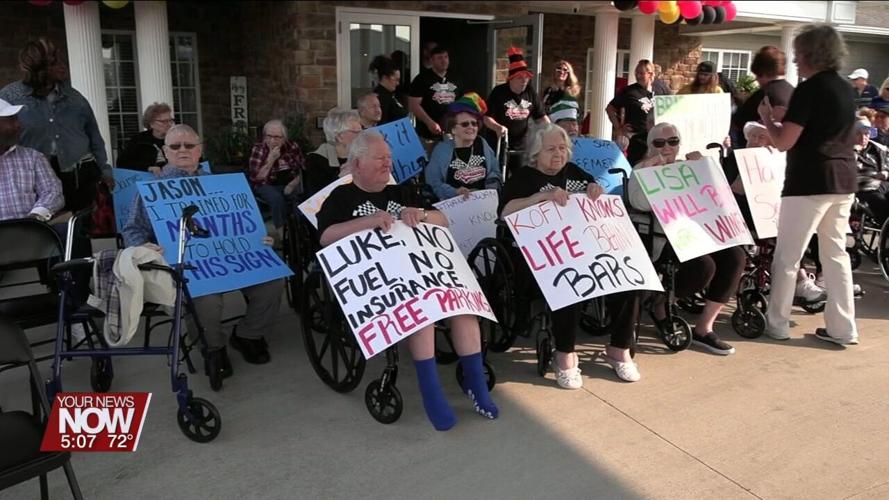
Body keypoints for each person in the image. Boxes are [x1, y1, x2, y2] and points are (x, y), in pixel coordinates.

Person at [317, 129, 498, 430]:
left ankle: (477, 386)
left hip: (422, 271)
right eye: (380, 158)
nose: (387, 163)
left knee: (464, 310)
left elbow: (443, 220)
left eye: (389, 157)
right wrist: (367, 222)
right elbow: (325, 236)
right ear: (358, 163)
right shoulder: (341, 197)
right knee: (421, 313)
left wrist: (421, 214)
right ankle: (432, 394)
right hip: (382, 283)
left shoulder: (401, 192)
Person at [122, 124, 283, 390]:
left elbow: (247, 220)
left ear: (199, 150)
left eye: (189, 145)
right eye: (175, 146)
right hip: (188, 263)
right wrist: (143, 246)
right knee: (205, 297)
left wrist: (261, 236)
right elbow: (132, 229)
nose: (182, 150)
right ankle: (213, 348)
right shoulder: (152, 188)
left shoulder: (220, 184)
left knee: (272, 282)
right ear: (165, 152)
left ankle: (248, 335)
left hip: (233, 256)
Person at [499, 123, 641, 386]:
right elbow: (505, 212)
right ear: (536, 153)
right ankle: (564, 354)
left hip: (586, 248)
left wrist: (595, 189)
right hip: (544, 257)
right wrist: (540, 197)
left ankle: (619, 349)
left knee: (629, 281)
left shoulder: (573, 171)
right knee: (569, 281)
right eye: (551, 149)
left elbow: (593, 193)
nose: (558, 154)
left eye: (562, 148)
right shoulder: (523, 178)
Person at [758, 23, 859, 346]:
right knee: (836, 255)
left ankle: (777, 325)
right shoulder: (846, 88)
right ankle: (843, 328)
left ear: (812, 54)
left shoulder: (809, 89)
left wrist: (767, 119)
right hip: (844, 179)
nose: (795, 60)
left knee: (788, 258)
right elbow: (825, 126)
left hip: (809, 182)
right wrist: (788, 116)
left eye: (799, 54)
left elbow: (784, 142)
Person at [628, 122, 746, 356]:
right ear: (650, 145)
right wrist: (652, 170)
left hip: (701, 231)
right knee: (704, 265)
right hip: (666, 237)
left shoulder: (687, 167)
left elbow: (718, 195)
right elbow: (638, 203)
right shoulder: (642, 168)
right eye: (659, 143)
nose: (666, 147)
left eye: (672, 141)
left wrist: (703, 167)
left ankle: (704, 327)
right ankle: (661, 303)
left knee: (736, 257)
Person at [0, 38, 111, 213]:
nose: (63, 66)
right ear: (39, 68)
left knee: (82, 226)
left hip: (79, 175)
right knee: (43, 224)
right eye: (55, 63)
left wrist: (105, 170)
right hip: (34, 178)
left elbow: (94, 135)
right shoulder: (10, 97)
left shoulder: (75, 98)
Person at [722, 121, 826, 304]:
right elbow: (724, 189)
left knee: (804, 229)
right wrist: (738, 184)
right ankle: (801, 280)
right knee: (784, 231)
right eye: (752, 136)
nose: (755, 140)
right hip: (741, 214)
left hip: (774, 212)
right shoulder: (735, 158)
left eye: (761, 137)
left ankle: (815, 278)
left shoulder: (779, 161)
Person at [426, 93, 502, 201]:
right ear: (453, 129)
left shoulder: (482, 143)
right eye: (465, 124)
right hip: (453, 204)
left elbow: (495, 171)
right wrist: (455, 192)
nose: (471, 127)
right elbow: (433, 182)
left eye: (474, 123)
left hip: (483, 202)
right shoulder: (441, 150)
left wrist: (489, 189)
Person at [0, 98, 64, 222]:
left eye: (17, 119)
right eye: (11, 120)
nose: (18, 125)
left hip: (30, 230)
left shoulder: (32, 157)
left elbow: (52, 191)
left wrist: (36, 217)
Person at [485, 47, 548, 155]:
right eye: (519, 78)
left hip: (521, 146)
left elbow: (541, 117)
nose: (524, 81)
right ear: (511, 79)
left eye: (526, 77)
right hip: (499, 143)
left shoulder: (530, 91)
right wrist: (497, 127)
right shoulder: (499, 92)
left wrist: (551, 131)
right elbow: (486, 118)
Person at [248, 119, 305, 234]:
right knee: (276, 198)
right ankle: (282, 232)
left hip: (289, 181)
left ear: (284, 138)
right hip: (265, 184)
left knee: (301, 196)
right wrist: (271, 159)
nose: (272, 140)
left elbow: (303, 168)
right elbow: (256, 178)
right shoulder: (259, 148)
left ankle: (300, 230)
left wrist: (292, 184)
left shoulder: (292, 146)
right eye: (268, 136)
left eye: (277, 137)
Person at [732, 46, 795, 148]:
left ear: (762, 72)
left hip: (759, 151)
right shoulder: (793, 91)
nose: (756, 79)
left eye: (757, 75)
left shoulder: (764, 94)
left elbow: (738, 123)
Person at [303, 108, 362, 197]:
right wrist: (341, 177)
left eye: (361, 131)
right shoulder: (317, 159)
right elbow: (316, 197)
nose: (361, 135)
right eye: (356, 132)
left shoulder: (362, 154)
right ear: (339, 136)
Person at [409, 45, 461, 143]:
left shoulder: (456, 78)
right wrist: (429, 122)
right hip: (428, 135)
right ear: (432, 60)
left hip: (452, 134)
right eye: (440, 58)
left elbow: (462, 102)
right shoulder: (421, 79)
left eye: (446, 57)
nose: (444, 61)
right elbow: (413, 105)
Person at [607, 59, 658, 142]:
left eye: (641, 73)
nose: (638, 76)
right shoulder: (629, 91)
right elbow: (610, 109)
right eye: (636, 73)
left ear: (650, 74)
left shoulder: (660, 89)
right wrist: (619, 128)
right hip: (635, 138)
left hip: (656, 137)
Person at [116, 102, 174, 174]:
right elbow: (122, 163)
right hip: (146, 178)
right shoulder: (138, 140)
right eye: (163, 121)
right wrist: (147, 168)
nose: (169, 124)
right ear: (151, 123)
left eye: (170, 120)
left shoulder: (177, 139)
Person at [853, 116, 889, 225]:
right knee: (880, 201)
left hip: (884, 185)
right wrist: (854, 151)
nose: (863, 138)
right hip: (863, 190)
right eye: (858, 134)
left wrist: (887, 173)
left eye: (866, 134)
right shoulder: (845, 151)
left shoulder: (879, 149)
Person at [369, 55, 408, 125]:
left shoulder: (388, 95)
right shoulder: (382, 97)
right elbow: (381, 122)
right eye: (396, 80)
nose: (398, 83)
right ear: (385, 78)